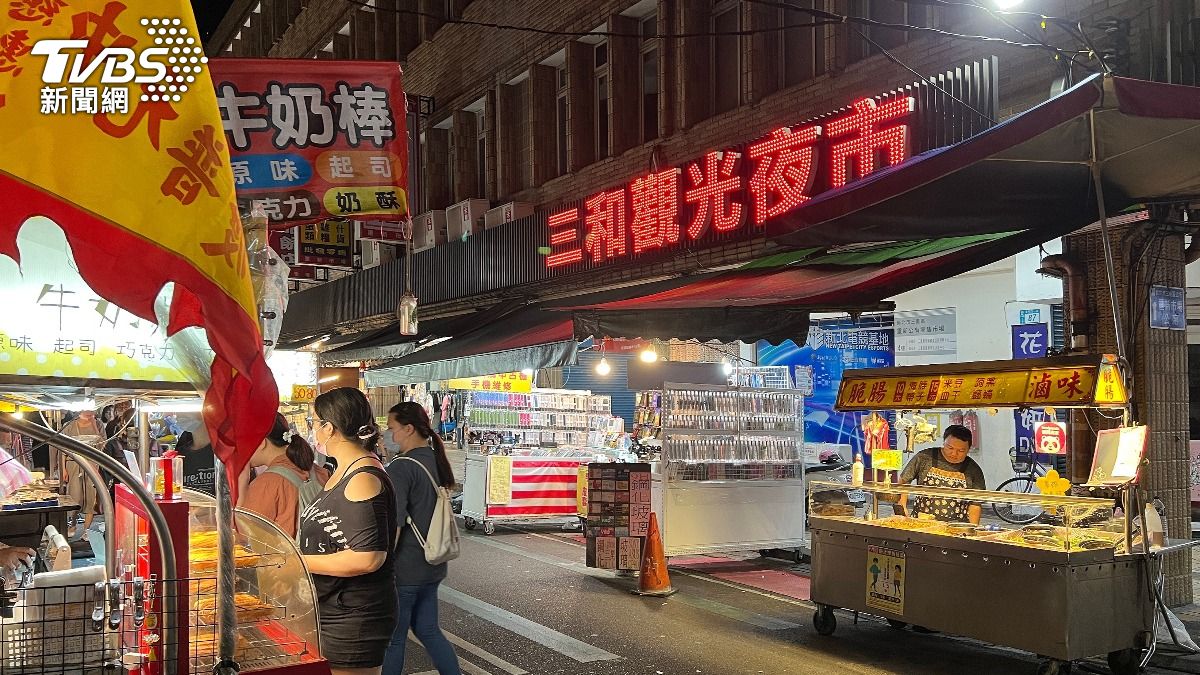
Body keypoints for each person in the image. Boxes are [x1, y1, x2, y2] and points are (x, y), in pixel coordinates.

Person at [299, 388, 398, 675]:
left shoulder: (363, 477)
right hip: (333, 610)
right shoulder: (344, 470)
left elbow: (368, 557)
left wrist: (298, 561)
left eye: (314, 422)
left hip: (354, 618)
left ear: (329, 428)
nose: (313, 430)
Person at [381, 402, 461, 675]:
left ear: (408, 428)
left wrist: (383, 564)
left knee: (394, 639)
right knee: (428, 629)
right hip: (433, 563)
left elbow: (396, 523)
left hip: (406, 568)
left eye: (392, 429)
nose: (391, 436)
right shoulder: (434, 458)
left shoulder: (401, 467)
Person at [239, 413, 321, 538]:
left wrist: (242, 484)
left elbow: (246, 537)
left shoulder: (266, 484)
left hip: (286, 557)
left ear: (261, 443)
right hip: (320, 556)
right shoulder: (319, 471)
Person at [896, 425, 987, 524]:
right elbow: (904, 481)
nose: (954, 453)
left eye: (961, 451)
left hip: (956, 528)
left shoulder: (973, 469)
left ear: (969, 449)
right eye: (950, 447)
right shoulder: (924, 457)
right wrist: (902, 507)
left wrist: (972, 530)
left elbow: (975, 504)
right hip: (921, 524)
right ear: (943, 443)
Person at [59, 410, 104, 538]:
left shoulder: (99, 424)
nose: (89, 413)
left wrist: (94, 425)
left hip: (92, 464)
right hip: (73, 463)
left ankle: (87, 530)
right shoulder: (69, 425)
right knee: (75, 496)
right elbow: (63, 447)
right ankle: (71, 524)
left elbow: (102, 445)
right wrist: (63, 468)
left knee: (91, 497)